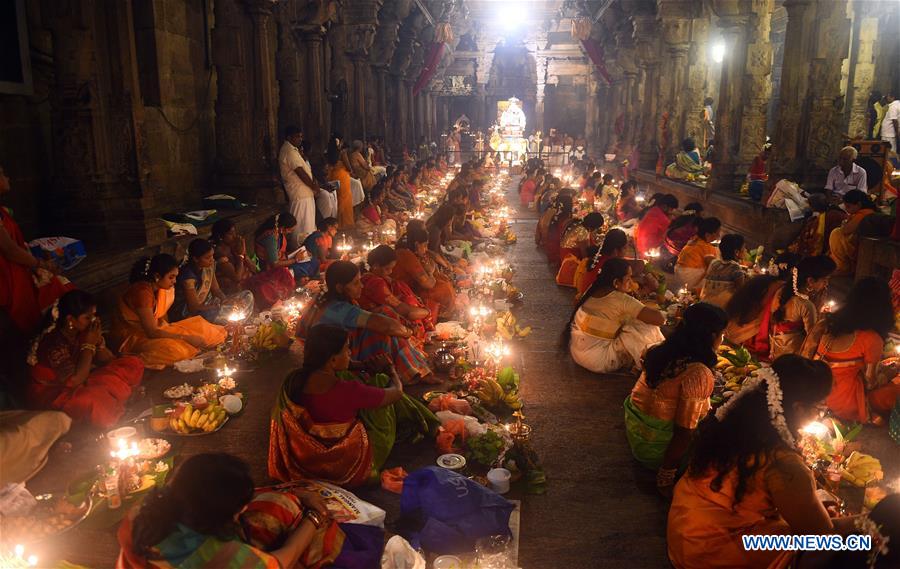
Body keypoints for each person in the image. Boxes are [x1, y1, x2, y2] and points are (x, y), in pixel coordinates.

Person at [667, 355, 848, 569]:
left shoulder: (731, 424)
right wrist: (871, 520)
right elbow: (822, 537)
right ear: (799, 408)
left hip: (685, 534)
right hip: (713, 554)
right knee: (841, 550)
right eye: (820, 408)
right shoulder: (783, 464)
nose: (821, 415)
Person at [270, 325, 437, 486]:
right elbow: (397, 393)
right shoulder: (347, 390)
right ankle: (428, 424)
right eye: (347, 349)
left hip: (306, 461)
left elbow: (341, 365)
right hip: (348, 465)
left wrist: (364, 365)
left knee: (359, 377)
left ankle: (424, 422)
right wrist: (390, 370)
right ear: (333, 359)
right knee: (383, 382)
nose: (350, 353)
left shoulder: (293, 379)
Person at [118, 453, 330, 569]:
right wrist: (314, 518)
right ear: (220, 515)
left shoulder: (141, 512)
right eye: (240, 509)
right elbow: (280, 562)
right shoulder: (217, 554)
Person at [624, 303, 728, 484]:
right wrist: (666, 477)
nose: (723, 339)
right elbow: (684, 433)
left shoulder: (656, 351)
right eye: (722, 334)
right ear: (712, 336)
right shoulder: (698, 373)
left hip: (637, 436)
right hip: (658, 452)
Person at [297, 261, 433, 384]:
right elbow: (388, 326)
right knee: (382, 330)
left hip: (333, 357)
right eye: (355, 283)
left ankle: (412, 371)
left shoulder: (326, 300)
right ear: (339, 288)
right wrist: (408, 332)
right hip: (332, 364)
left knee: (384, 315)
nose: (361, 286)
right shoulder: (339, 309)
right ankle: (393, 377)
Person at [27, 290, 144, 428]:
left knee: (132, 363)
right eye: (87, 318)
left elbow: (109, 359)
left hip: (85, 377)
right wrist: (88, 345)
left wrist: (97, 341)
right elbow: (74, 380)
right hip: (56, 391)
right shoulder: (53, 344)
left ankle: (117, 399)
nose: (93, 321)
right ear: (71, 320)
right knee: (93, 399)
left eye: (94, 315)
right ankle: (115, 406)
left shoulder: (82, 331)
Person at [801, 277, 898, 422]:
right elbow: (871, 382)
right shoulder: (871, 338)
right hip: (844, 402)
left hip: (815, 390)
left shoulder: (828, 322)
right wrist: (890, 373)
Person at [111, 255, 227, 369]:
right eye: (171, 277)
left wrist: (176, 332)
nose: (175, 281)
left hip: (158, 328)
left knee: (205, 329)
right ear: (157, 276)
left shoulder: (158, 288)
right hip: (135, 336)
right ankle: (131, 360)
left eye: (175, 277)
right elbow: (152, 332)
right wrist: (186, 338)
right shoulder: (142, 292)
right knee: (176, 351)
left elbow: (162, 320)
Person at [0, 164, 74, 334]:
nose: (7, 178)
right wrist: (40, 264)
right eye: (2, 174)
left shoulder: (3, 212)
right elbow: (10, 250)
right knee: (58, 297)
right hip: (8, 277)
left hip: (18, 268)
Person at [561, 258, 665, 374]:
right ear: (616, 283)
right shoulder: (620, 300)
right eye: (628, 278)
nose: (631, 282)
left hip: (578, 354)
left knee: (630, 320)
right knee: (644, 326)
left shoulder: (592, 290)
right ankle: (655, 363)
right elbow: (659, 319)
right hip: (599, 361)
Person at [725, 256, 836, 360]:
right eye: (825, 280)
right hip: (793, 356)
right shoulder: (806, 305)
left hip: (775, 351)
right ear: (810, 281)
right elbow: (812, 338)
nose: (826, 284)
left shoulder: (781, 293)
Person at [362, 245, 432, 339]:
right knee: (409, 302)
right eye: (387, 268)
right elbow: (406, 312)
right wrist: (427, 312)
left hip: (379, 322)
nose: (390, 272)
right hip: (377, 329)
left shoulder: (373, 278)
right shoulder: (375, 282)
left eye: (392, 268)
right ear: (375, 266)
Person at [392, 227, 456, 321]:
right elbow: (428, 284)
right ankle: (440, 317)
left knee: (443, 281)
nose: (426, 249)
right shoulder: (406, 255)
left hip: (412, 289)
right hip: (405, 294)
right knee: (443, 289)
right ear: (417, 244)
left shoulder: (411, 252)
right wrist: (430, 271)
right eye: (425, 245)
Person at [278, 126, 320, 244]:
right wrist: (313, 186)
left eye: (301, 136)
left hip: (305, 194)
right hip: (299, 194)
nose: (300, 139)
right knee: (301, 227)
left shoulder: (293, 150)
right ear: (289, 137)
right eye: (297, 136)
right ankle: (299, 252)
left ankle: (308, 250)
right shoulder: (288, 151)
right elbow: (300, 172)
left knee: (308, 225)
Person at [170, 239, 227, 323]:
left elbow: (216, 290)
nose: (212, 260)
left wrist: (226, 300)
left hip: (206, 305)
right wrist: (218, 307)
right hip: (187, 314)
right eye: (207, 257)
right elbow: (194, 308)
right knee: (216, 312)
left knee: (247, 295)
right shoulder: (187, 276)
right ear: (196, 259)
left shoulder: (208, 267)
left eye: (212, 256)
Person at [255, 212, 319, 283]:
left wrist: (299, 252)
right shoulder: (271, 238)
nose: (290, 232)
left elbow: (281, 254)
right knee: (300, 269)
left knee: (313, 260)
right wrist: (295, 259)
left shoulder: (278, 234)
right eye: (290, 230)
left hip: (282, 261)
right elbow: (274, 264)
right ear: (283, 228)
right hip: (270, 269)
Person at [828, 189, 877, 275]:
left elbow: (846, 230)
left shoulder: (863, 214)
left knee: (836, 233)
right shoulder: (865, 212)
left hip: (860, 246)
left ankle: (843, 267)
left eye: (848, 207)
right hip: (861, 244)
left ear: (858, 204)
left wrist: (844, 225)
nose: (847, 210)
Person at [789, 192, 847, 257]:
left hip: (831, 250)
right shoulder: (837, 210)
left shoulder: (819, 220)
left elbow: (816, 242)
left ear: (813, 207)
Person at [209, 219, 258, 295]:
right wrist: (240, 256)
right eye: (230, 234)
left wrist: (244, 252)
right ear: (220, 236)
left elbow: (254, 269)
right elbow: (237, 278)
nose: (234, 236)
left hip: (245, 282)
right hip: (229, 291)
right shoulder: (219, 252)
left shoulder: (233, 246)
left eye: (235, 232)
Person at [556, 213, 605, 288]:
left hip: (563, 253)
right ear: (593, 226)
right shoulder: (583, 231)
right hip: (570, 259)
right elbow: (585, 254)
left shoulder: (577, 222)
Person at [674, 217, 721, 293]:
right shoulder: (706, 247)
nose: (719, 235)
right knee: (714, 272)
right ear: (708, 235)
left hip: (678, 272)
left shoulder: (695, 238)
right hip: (688, 277)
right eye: (717, 233)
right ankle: (696, 291)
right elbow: (713, 267)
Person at [576, 228, 628, 296]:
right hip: (594, 301)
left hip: (585, 299)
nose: (626, 252)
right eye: (625, 248)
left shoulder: (600, 256)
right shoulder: (611, 265)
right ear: (615, 251)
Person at [700, 234, 747, 308]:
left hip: (703, 305)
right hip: (719, 311)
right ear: (736, 252)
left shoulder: (713, 263)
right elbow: (740, 293)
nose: (745, 251)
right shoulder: (735, 268)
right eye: (744, 248)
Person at [635, 194, 678, 258]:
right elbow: (667, 235)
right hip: (648, 250)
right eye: (671, 210)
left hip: (639, 245)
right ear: (665, 206)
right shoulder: (663, 218)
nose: (671, 212)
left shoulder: (654, 210)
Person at [325, 135, 355, 229]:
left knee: (337, 199)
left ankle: (336, 223)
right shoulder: (342, 152)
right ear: (340, 141)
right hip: (342, 176)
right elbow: (349, 167)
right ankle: (345, 223)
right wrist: (350, 170)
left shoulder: (328, 152)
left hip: (332, 175)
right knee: (345, 199)